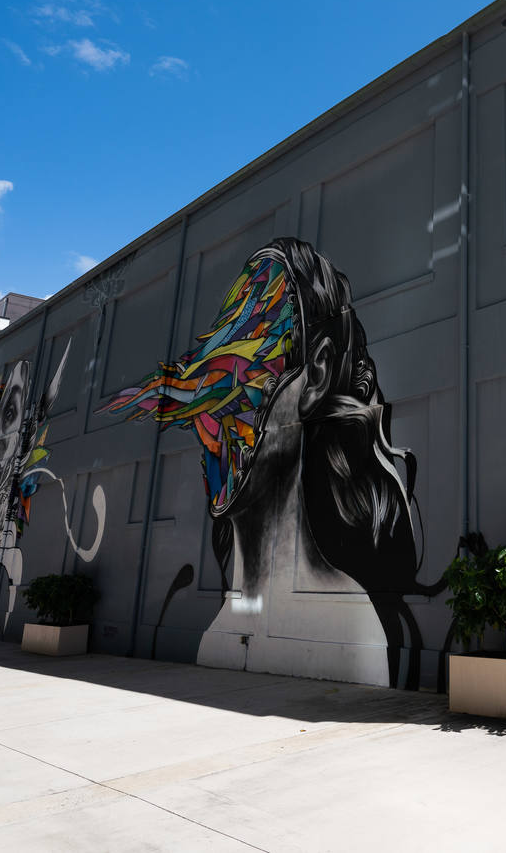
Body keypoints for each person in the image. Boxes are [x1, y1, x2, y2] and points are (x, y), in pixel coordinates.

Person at [106, 237, 431, 689]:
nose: (212, 404)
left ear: (316, 374)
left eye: (251, 353)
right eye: (214, 351)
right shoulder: (216, 629)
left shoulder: (349, 626)